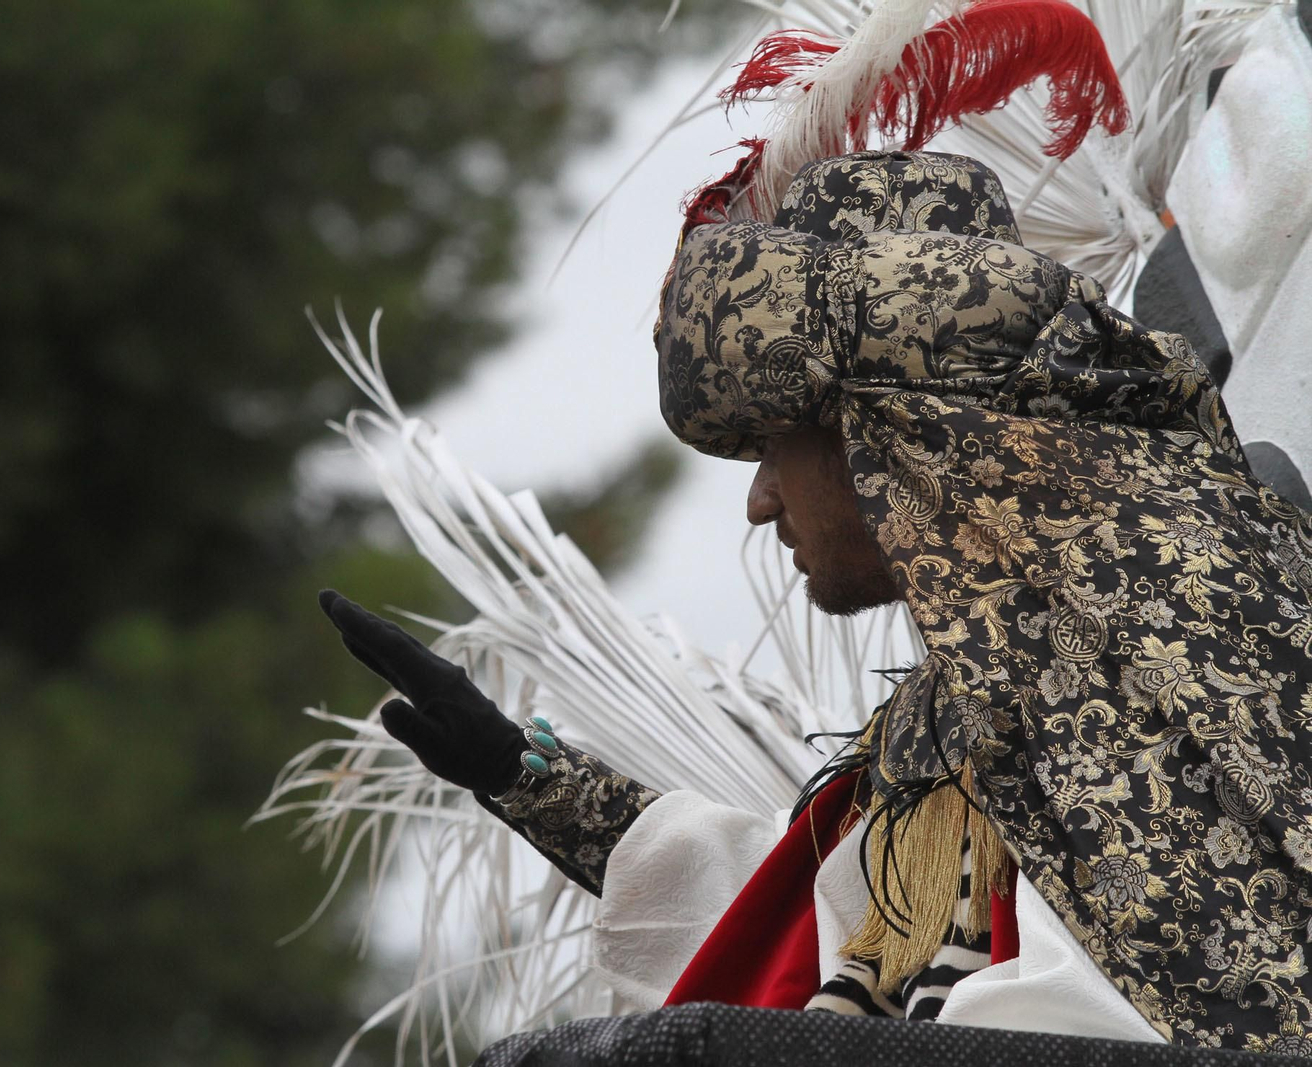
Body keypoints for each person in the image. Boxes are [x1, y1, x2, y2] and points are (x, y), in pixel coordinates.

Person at [320, 144, 1312, 1055]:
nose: (758, 502)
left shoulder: (1177, 590)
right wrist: (528, 776)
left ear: (893, 433)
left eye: (772, 448)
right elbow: (820, 947)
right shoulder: (955, 709)